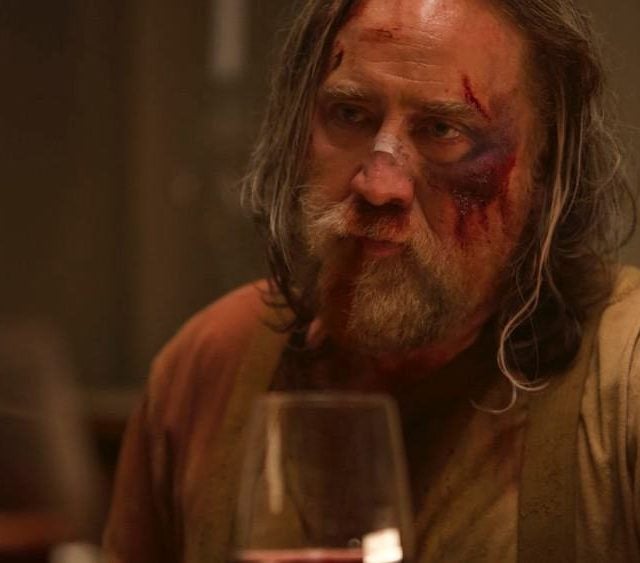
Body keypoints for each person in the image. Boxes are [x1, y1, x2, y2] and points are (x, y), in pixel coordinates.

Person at [104, 0, 639, 561]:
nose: (379, 185)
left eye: (443, 129)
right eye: (349, 114)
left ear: (547, 168)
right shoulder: (209, 363)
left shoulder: (623, 383)